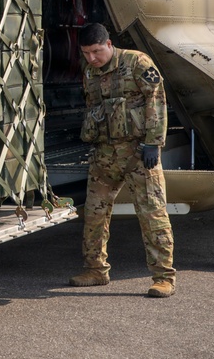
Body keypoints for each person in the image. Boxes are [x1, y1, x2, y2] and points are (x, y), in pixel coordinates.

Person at [68, 23, 176, 298]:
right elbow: (94, 107)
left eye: (96, 51)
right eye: (85, 53)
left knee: (152, 214)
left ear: (108, 44)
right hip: (105, 154)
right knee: (93, 214)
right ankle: (96, 270)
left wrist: (153, 143)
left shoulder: (137, 62)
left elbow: (157, 100)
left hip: (139, 153)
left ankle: (163, 277)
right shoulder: (90, 72)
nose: (91, 58)